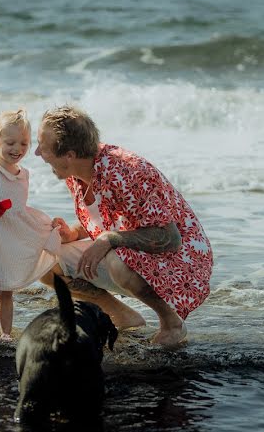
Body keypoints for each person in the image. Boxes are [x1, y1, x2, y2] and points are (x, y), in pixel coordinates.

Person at [34, 106, 212, 346]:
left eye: (41, 145)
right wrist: (73, 232)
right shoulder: (76, 172)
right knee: (46, 262)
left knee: (117, 259)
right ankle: (123, 316)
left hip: (182, 262)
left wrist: (109, 239)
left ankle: (172, 324)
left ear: (70, 155)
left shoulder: (128, 170)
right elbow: (109, 219)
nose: (36, 152)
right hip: (135, 252)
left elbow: (171, 238)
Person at [0, 109, 61, 341]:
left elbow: (20, 208)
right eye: (10, 142)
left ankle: (5, 332)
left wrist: (46, 225)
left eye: (24, 143)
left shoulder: (23, 173)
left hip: (14, 237)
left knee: (8, 290)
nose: (17, 149)